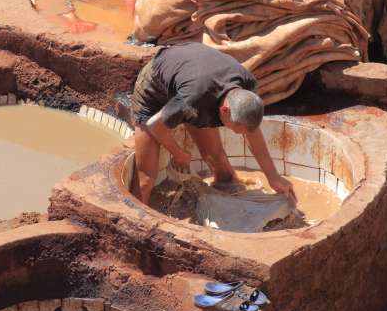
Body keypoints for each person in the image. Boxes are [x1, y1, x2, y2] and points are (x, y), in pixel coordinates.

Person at [123, 42, 296, 205]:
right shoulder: (195, 99)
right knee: (145, 179)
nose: (239, 134)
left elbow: (252, 133)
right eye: (236, 130)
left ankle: (226, 188)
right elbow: (155, 125)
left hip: (191, 82)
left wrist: (273, 176)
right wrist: (178, 153)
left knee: (218, 160)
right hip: (154, 87)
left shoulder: (246, 86)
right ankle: (135, 224)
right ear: (225, 110)